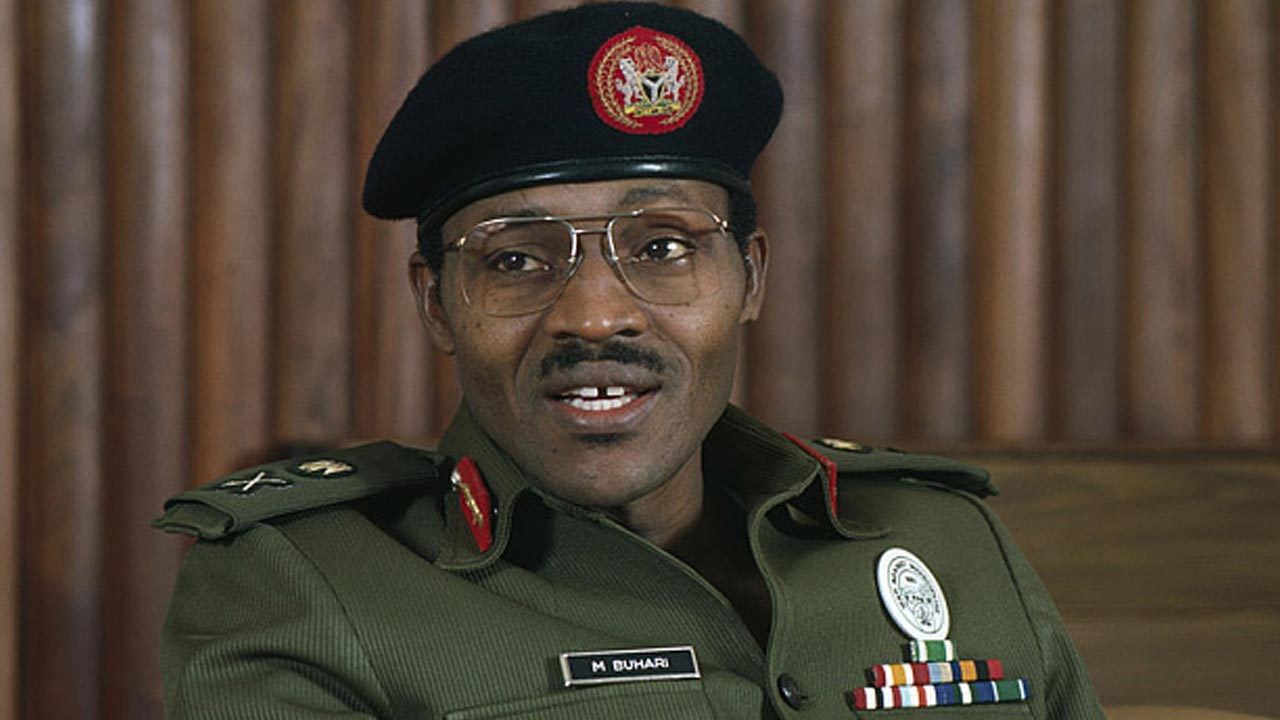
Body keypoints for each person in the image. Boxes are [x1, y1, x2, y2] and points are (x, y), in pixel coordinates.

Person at [154, 4, 1104, 718]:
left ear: (750, 277)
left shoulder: (944, 538)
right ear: (436, 303)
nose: (596, 316)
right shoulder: (301, 584)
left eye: (663, 247)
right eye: (515, 260)